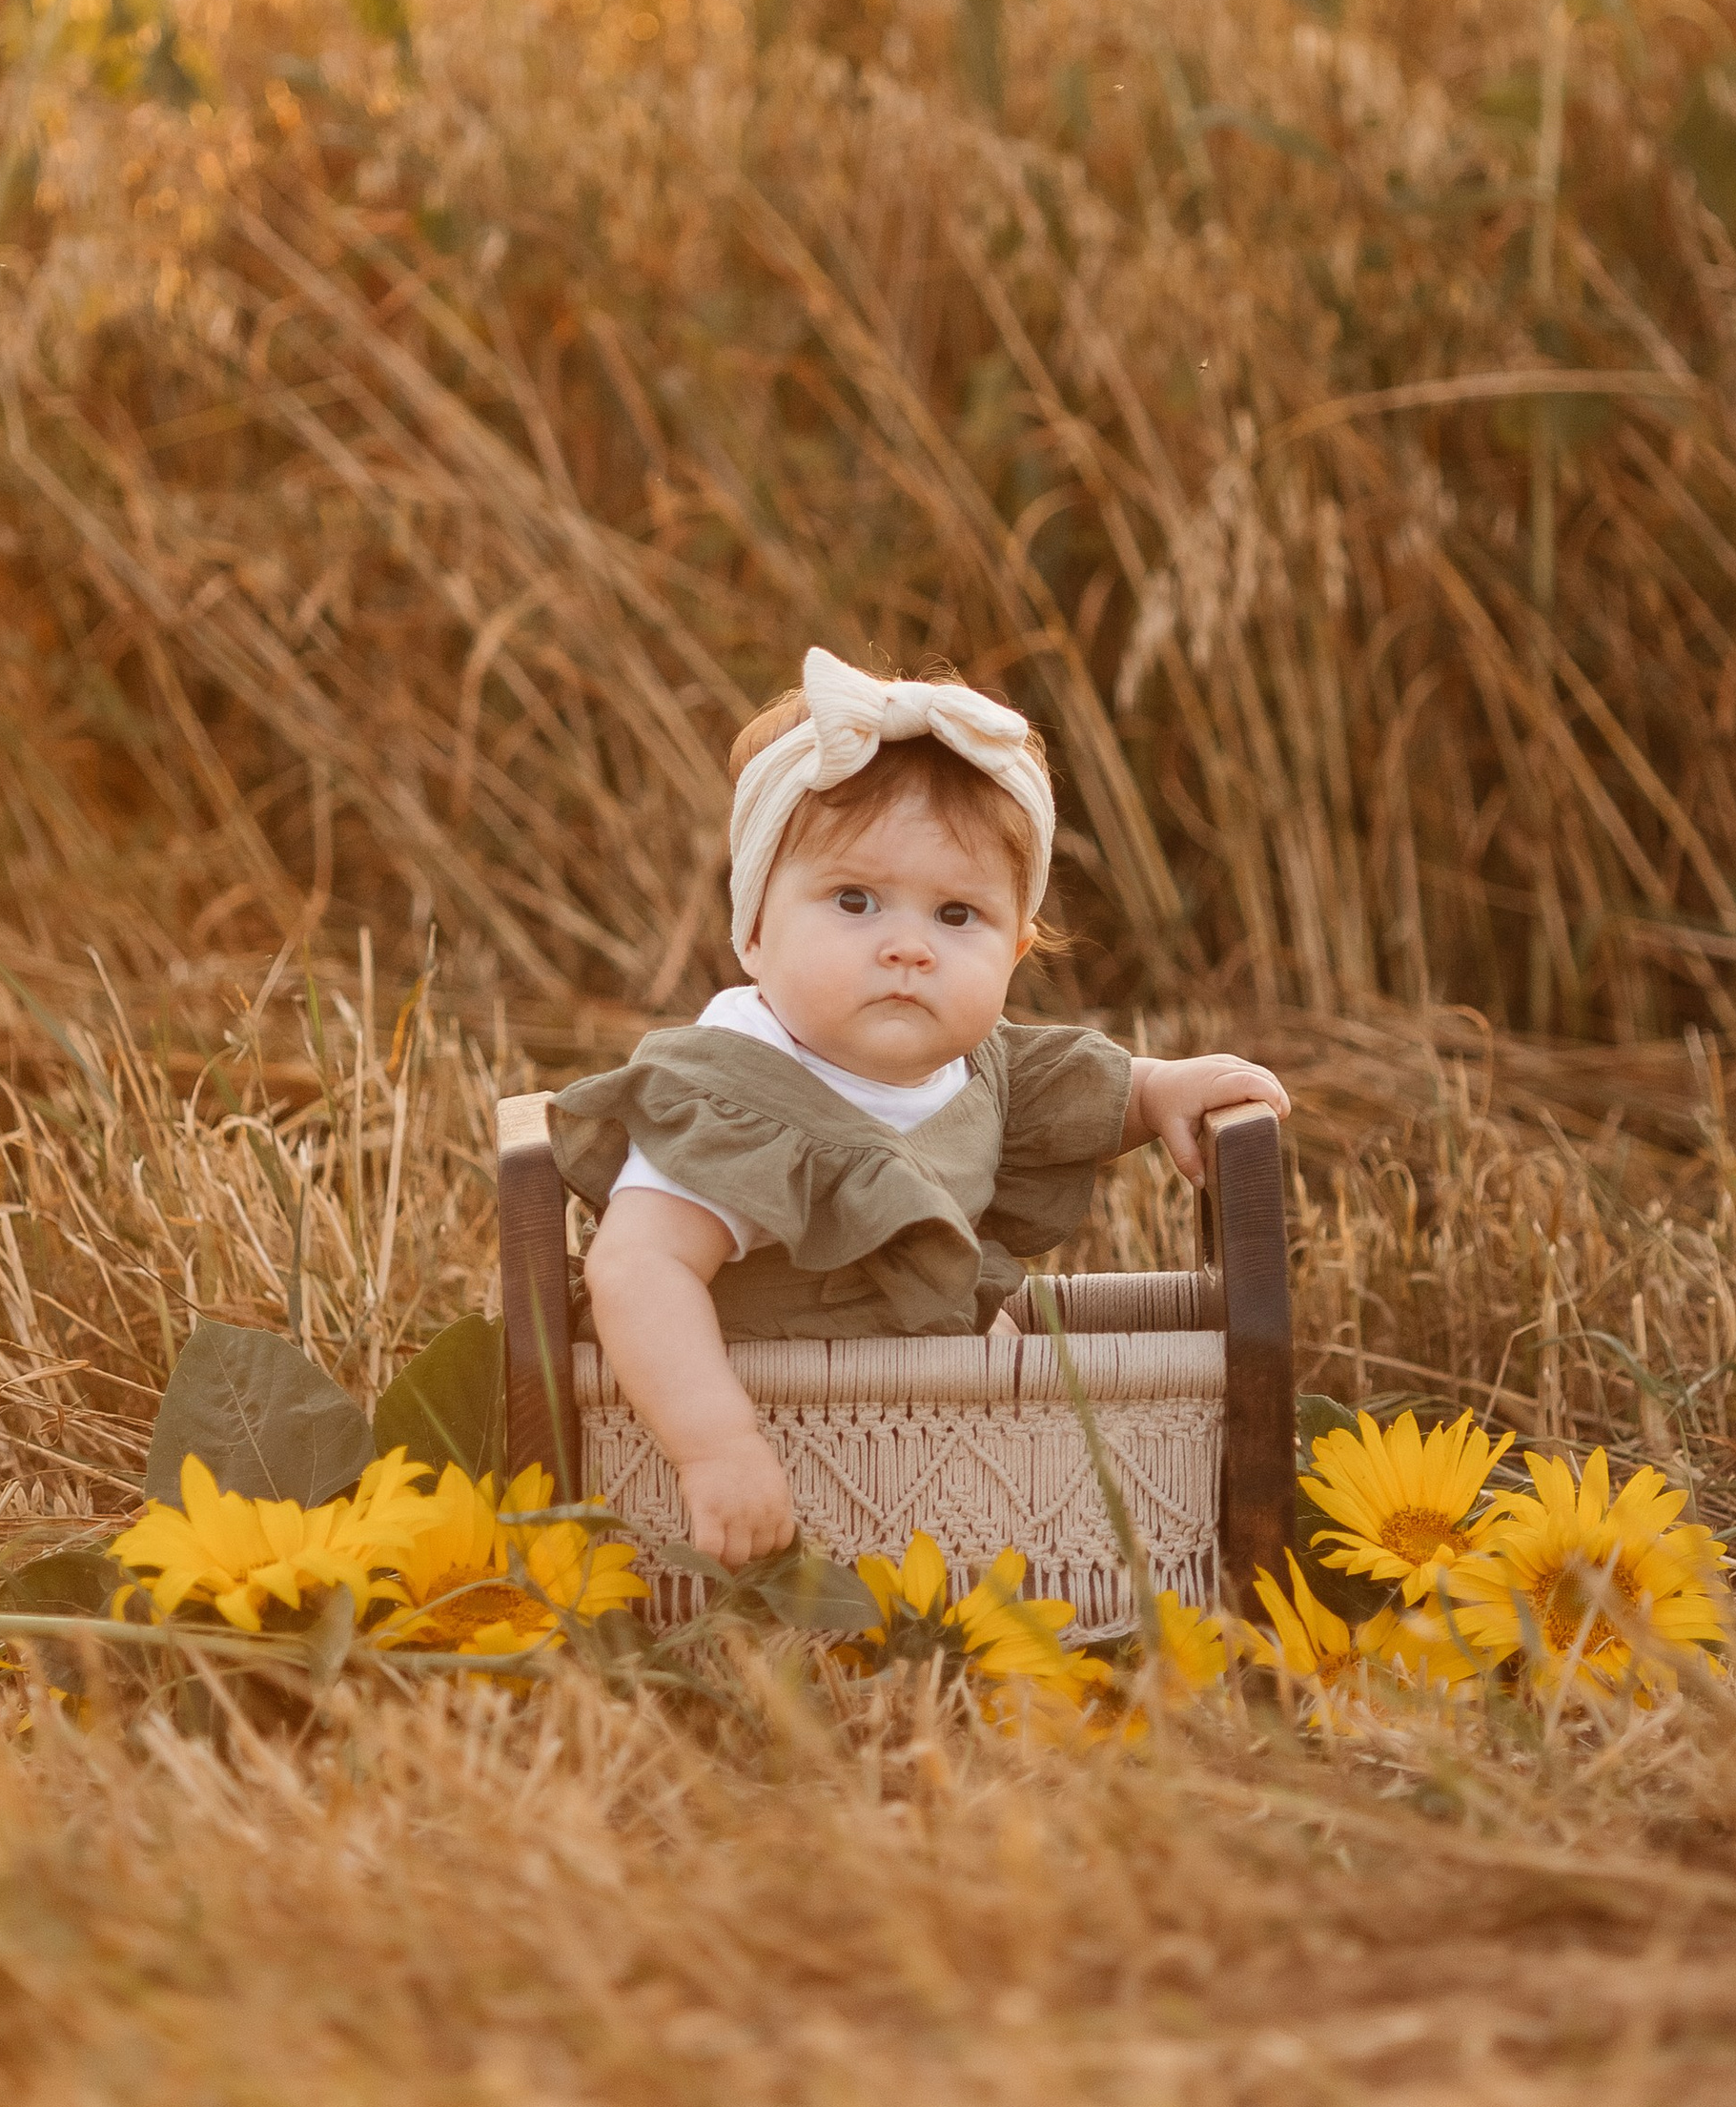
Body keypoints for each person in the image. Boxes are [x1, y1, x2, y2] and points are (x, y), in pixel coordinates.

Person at [550, 646, 1290, 1567]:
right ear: (754, 929)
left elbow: (1095, 1090)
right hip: (780, 1436)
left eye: (956, 915)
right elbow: (637, 1268)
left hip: (934, 1440)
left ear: (1015, 951)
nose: (909, 946)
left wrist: (1165, 1089)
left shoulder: (976, 1064)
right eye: (855, 899)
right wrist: (717, 1445)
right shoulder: (733, 1093)